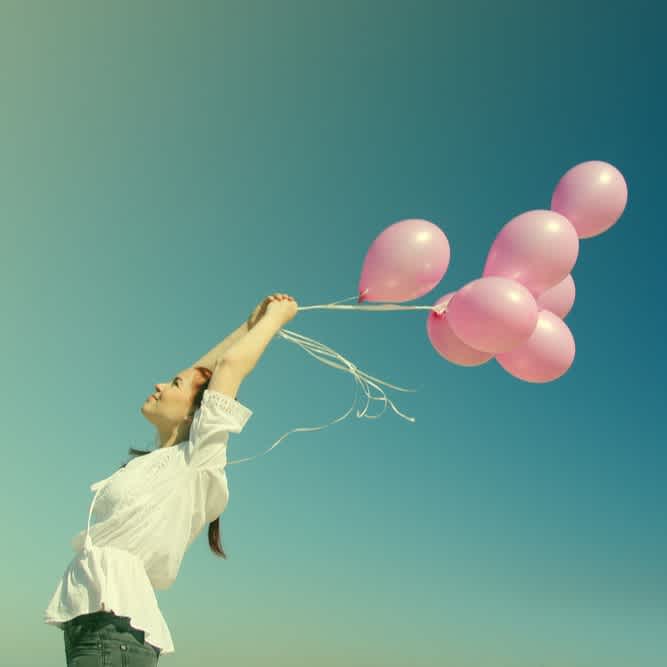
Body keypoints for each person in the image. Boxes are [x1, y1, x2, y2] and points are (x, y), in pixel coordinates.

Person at [44, 293, 298, 665]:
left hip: (113, 633)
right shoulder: (159, 463)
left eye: (173, 384)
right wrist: (248, 324)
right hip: (98, 630)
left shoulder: (196, 460)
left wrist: (277, 318)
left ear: (193, 413)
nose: (160, 385)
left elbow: (226, 369)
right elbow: (202, 374)